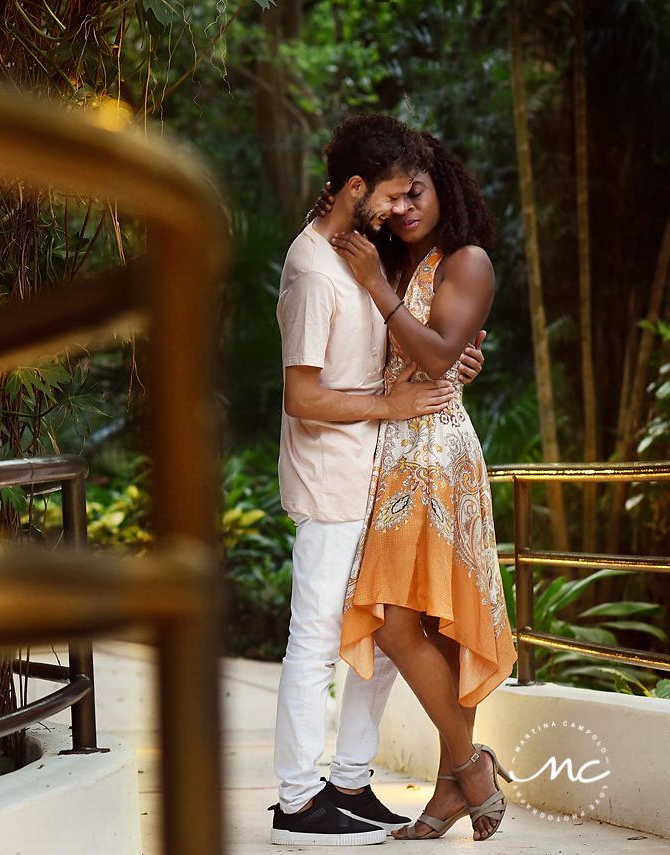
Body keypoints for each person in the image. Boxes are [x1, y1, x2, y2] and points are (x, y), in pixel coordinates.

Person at [271, 114, 464, 847]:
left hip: (372, 475)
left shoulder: (352, 254)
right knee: (315, 641)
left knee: (383, 638)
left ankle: (348, 780)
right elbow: (303, 396)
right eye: (387, 194)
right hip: (330, 484)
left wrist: (442, 367)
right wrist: (393, 403)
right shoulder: (312, 270)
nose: (395, 208)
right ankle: (295, 802)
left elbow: (373, 354)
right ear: (355, 188)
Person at [333, 132, 516, 841]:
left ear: (445, 186)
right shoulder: (403, 260)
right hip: (396, 452)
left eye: (417, 191)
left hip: (435, 458)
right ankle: (454, 785)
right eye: (393, 196)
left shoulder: (466, 260)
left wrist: (380, 291)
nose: (405, 206)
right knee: (423, 628)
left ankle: (469, 768)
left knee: (407, 624)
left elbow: (439, 355)